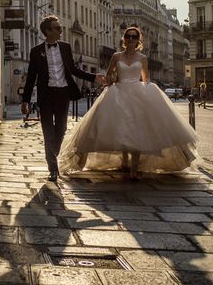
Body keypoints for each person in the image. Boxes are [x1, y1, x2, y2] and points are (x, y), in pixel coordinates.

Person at [57, 27, 198, 181]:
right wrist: (108, 79)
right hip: (119, 91)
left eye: (134, 37)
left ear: (138, 40)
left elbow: (145, 78)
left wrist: (150, 91)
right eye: (128, 36)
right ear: (124, 39)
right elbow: (109, 74)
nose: (131, 39)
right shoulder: (116, 56)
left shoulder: (142, 58)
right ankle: (124, 160)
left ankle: (134, 167)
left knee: (136, 129)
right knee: (122, 127)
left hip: (137, 93)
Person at [20, 15, 106, 182]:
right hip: (46, 95)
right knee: (47, 130)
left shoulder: (65, 48)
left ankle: (53, 152)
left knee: (61, 128)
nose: (61, 31)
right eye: (57, 28)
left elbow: (73, 70)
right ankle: (53, 167)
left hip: (63, 93)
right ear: (48, 31)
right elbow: (31, 77)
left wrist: (94, 77)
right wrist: (25, 100)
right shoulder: (36, 51)